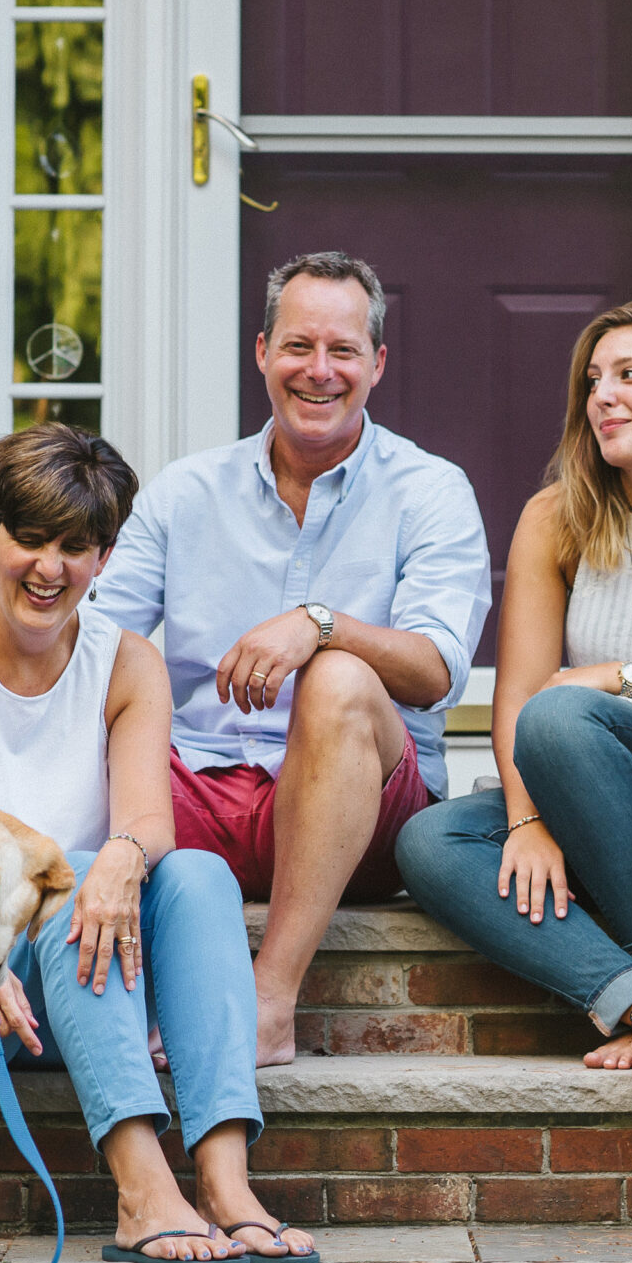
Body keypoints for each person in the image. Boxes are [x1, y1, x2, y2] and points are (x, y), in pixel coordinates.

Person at [0, 424, 316, 1263]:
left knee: (199, 875)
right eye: (29, 539)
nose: (50, 567)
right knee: (68, 894)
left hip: (90, 977)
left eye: (77, 546)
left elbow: (149, 822)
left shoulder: (126, 661)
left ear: (103, 558)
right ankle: (142, 1192)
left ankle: (224, 1180)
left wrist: (120, 859)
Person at [92, 252, 491, 1067]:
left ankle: (269, 1002)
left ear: (377, 364)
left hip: (358, 812)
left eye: (343, 350)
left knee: (342, 678)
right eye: (299, 346)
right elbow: (92, 645)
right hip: (192, 794)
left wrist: (320, 625)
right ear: (263, 352)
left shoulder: (431, 490)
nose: (320, 370)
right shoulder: (184, 492)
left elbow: (437, 668)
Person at [397, 300, 632, 1064]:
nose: (602, 397)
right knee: (432, 839)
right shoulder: (558, 516)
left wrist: (624, 681)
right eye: (594, 380)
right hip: (593, 805)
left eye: (629, 375)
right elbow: (517, 693)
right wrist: (527, 822)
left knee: (563, 715)